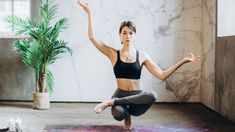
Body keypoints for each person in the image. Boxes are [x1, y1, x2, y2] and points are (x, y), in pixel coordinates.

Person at [76, 0, 200, 130]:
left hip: (137, 97)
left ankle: (109, 103)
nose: (127, 36)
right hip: (120, 95)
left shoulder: (142, 56)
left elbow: (162, 75)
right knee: (119, 113)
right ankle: (125, 114)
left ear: (135, 36)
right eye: (124, 33)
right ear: (120, 36)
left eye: (131, 33)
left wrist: (183, 61)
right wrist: (89, 12)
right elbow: (92, 37)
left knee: (152, 95)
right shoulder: (113, 54)